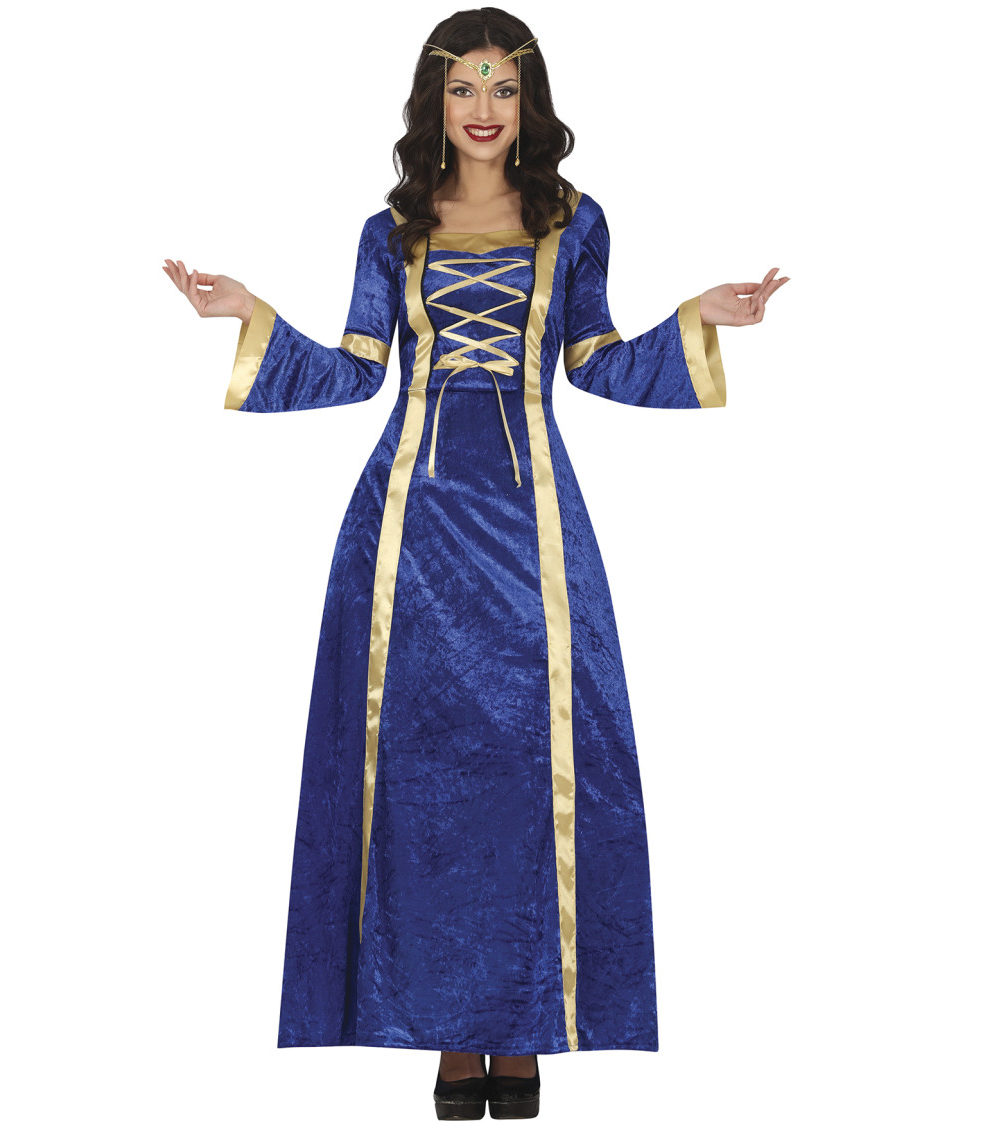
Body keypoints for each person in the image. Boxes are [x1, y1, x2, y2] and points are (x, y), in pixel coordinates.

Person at [163, 7, 788, 1119]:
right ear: (435, 102)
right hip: (405, 538)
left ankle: (524, 1022)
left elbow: (595, 359)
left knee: (532, 768)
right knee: (418, 780)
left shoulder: (573, 223)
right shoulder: (390, 231)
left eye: (503, 88)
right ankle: (448, 1033)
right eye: (464, 89)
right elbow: (358, 369)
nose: (484, 110)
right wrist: (248, 313)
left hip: (534, 532)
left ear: (528, 101)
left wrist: (699, 318)